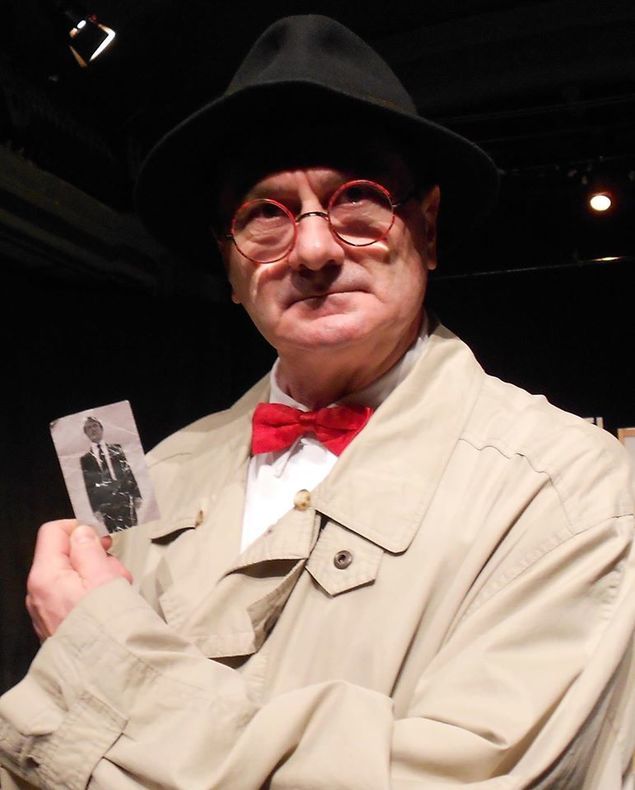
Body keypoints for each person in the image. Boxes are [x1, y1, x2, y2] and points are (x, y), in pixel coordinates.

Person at [1, 14, 634, 789]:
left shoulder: (570, 492)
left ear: (427, 229)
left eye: (357, 200)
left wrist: (102, 654)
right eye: (264, 215)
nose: (312, 249)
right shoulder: (159, 469)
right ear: (230, 270)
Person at [80, 416, 142, 533]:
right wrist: (95, 509)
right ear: (86, 433)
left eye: (95, 426)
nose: (92, 429)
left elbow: (128, 472)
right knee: (116, 535)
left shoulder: (117, 449)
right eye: (88, 428)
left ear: (101, 429)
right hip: (106, 504)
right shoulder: (86, 459)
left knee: (135, 531)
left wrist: (137, 494)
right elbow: (89, 486)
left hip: (125, 498)